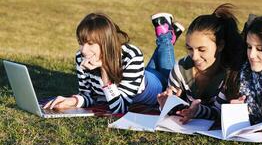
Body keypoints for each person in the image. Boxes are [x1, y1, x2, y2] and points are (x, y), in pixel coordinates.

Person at [44, 12, 184, 113]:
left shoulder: (131, 55)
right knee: (158, 60)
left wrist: (104, 71)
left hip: (157, 84)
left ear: (106, 43)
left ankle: (165, 37)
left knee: (167, 76)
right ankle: (169, 35)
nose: (84, 50)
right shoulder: (81, 57)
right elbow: (90, 96)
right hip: (138, 76)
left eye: (91, 44)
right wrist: (73, 101)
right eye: (81, 43)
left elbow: (120, 108)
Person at [157, 3, 245, 123]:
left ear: (220, 46)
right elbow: (175, 109)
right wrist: (166, 105)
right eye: (189, 48)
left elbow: (219, 113)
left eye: (201, 49)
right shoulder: (180, 68)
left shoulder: (230, 74)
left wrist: (197, 111)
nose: (195, 56)